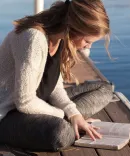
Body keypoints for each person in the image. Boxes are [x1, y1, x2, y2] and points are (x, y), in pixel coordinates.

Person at [0, 0, 113, 152]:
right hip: (9, 114)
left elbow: (54, 88)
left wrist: (74, 114)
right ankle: (71, 125)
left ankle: (76, 122)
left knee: (104, 88)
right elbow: (24, 102)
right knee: (60, 133)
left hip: (39, 104)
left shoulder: (59, 39)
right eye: (87, 41)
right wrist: (65, 115)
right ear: (73, 28)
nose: (88, 46)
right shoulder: (33, 38)